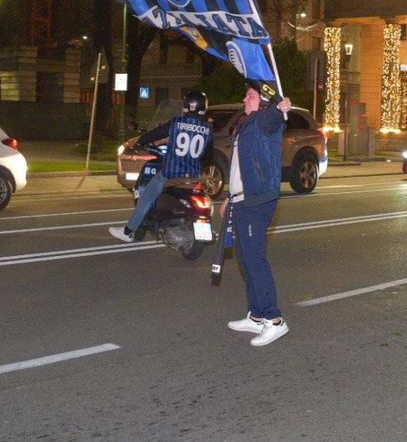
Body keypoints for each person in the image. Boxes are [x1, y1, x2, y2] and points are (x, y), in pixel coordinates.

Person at [224, 86, 293, 347]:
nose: (244, 98)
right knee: (246, 259)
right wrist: (230, 198)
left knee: (255, 260)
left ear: (262, 102)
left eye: (250, 96)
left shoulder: (263, 122)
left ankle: (274, 320)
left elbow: (272, 120)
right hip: (242, 200)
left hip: (257, 201)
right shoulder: (247, 125)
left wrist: (278, 109)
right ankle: (256, 316)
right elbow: (239, 166)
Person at [112, 91, 213, 243]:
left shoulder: (176, 123)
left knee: (146, 197)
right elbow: (208, 156)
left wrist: (141, 141)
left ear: (187, 106)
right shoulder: (207, 129)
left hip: (170, 173)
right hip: (193, 176)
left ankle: (128, 232)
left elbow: (154, 134)